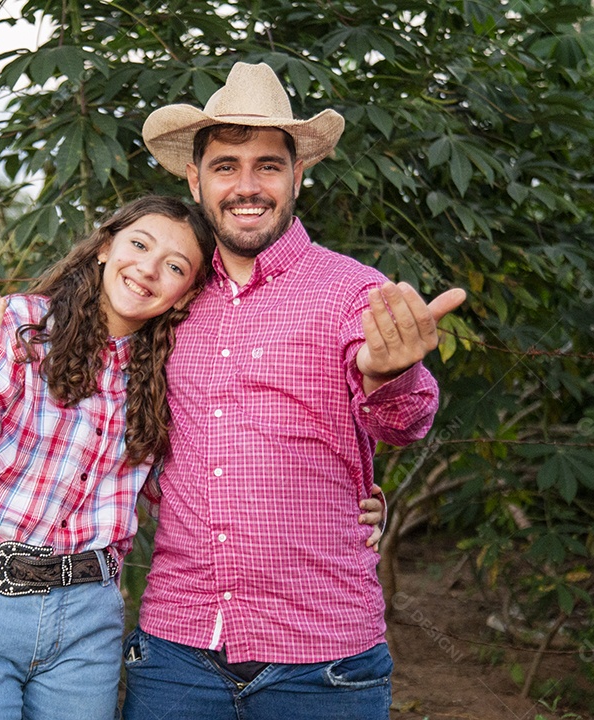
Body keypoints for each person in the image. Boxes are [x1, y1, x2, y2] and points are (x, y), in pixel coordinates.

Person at [121, 63, 468, 719]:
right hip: (177, 654)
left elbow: (404, 419)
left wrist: (386, 371)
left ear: (298, 176)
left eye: (268, 166)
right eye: (225, 166)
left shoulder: (354, 290)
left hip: (323, 663)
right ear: (193, 179)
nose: (246, 186)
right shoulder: (163, 297)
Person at [0, 195, 217, 720]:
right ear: (103, 248)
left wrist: (346, 505)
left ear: (185, 296)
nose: (147, 268)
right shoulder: (22, 328)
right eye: (138, 245)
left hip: (87, 619)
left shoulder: (171, 376)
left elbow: (190, 493)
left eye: (175, 266)